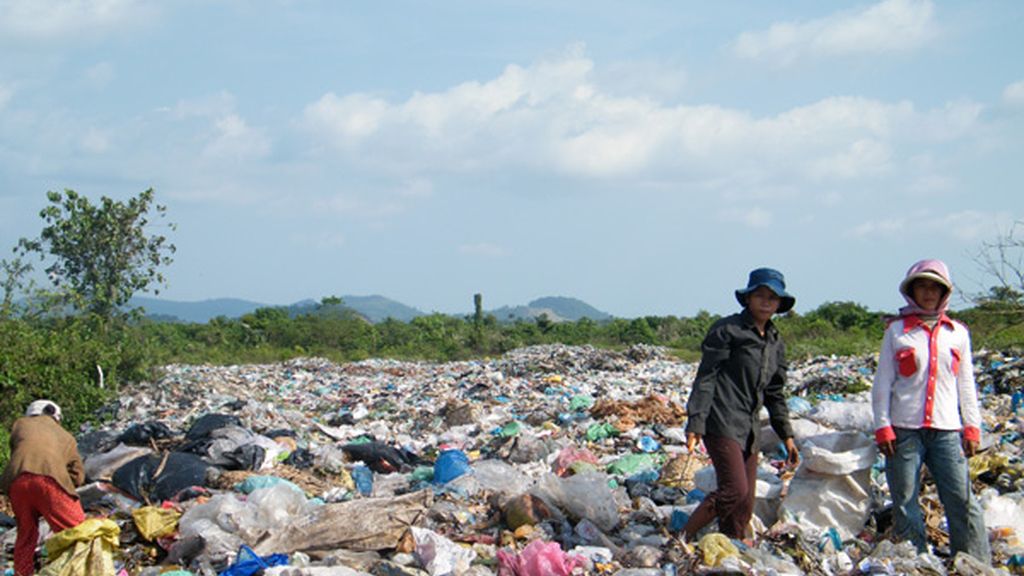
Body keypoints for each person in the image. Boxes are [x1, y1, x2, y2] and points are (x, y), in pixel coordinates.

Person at [872, 259, 990, 561]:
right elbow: (883, 383)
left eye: (934, 288)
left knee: (962, 499)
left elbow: (966, 384)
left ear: (943, 294)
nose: (928, 293)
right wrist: (882, 426)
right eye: (922, 286)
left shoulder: (957, 333)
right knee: (905, 501)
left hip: (947, 431)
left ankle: (974, 561)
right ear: (912, 292)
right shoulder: (898, 331)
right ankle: (918, 561)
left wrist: (972, 427)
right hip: (904, 431)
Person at [683, 267, 801, 541]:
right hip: (720, 419)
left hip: (749, 427)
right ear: (748, 298)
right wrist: (696, 422)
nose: (766, 301)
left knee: (745, 502)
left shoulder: (775, 342)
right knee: (733, 490)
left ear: (780, 304)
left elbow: (775, 393)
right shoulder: (728, 330)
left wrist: (787, 434)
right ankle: (680, 537)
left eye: (773, 297)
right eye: (760, 295)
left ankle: (733, 549)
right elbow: (706, 378)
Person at [1, 400, 86, 576]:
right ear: (56, 417)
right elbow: (77, 474)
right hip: (49, 481)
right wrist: (69, 488)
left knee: (26, 535)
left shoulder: (20, 425)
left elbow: (19, 453)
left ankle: (22, 573)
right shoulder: (65, 435)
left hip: (16, 483)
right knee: (78, 531)